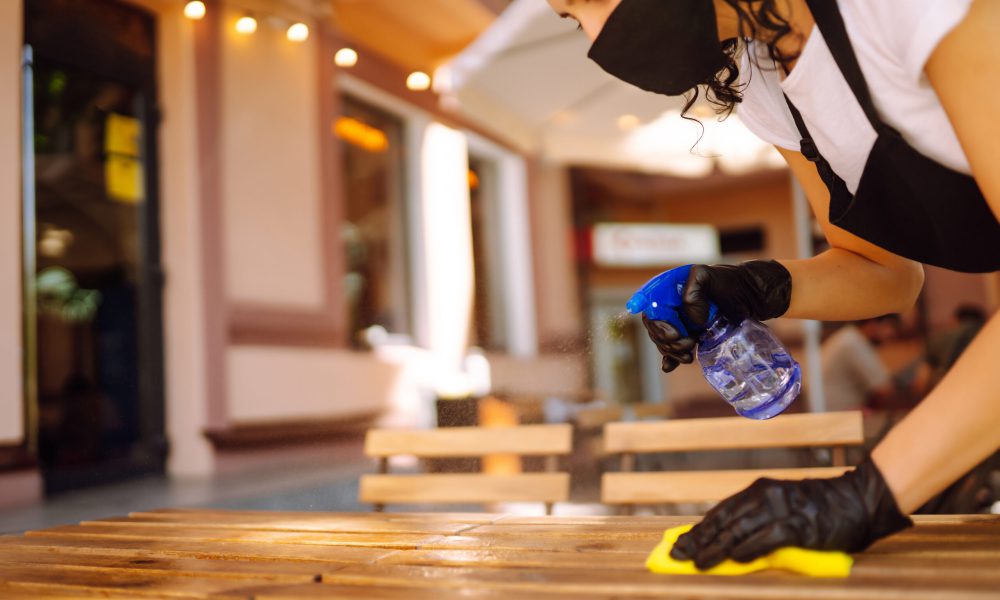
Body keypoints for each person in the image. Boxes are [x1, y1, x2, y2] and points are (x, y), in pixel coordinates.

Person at [547, 0, 1000, 569]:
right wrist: (756, 287)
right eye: (569, 19)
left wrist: (866, 496)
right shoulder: (764, 77)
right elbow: (886, 272)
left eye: (585, 2)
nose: (593, 38)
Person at [820, 318, 893, 413]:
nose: (891, 332)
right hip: (838, 414)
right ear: (872, 324)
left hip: (830, 412)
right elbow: (883, 388)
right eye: (888, 326)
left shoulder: (848, 335)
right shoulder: (853, 341)